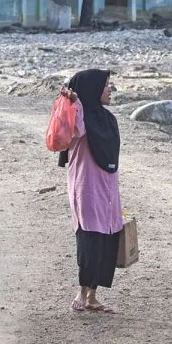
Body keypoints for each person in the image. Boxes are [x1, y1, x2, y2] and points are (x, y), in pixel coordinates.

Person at [58, 69, 122, 313]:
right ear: (92, 89)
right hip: (86, 189)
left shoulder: (108, 119)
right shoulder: (79, 117)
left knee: (106, 239)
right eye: (105, 85)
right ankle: (82, 291)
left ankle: (93, 295)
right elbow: (70, 125)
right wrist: (73, 102)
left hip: (108, 190)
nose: (110, 89)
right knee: (89, 239)